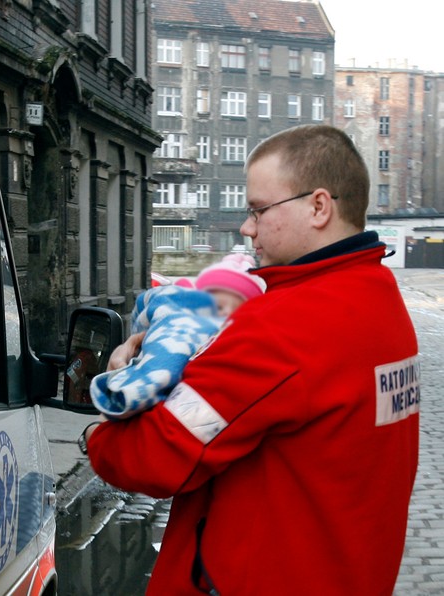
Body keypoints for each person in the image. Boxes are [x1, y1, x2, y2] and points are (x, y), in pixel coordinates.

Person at [80, 124, 420, 595]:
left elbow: (151, 459)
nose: (247, 227)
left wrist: (104, 419)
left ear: (319, 206)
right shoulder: (379, 299)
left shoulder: (284, 326)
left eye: (259, 210)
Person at [91, 254, 265, 420]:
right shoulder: (181, 322)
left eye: (235, 312)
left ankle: (136, 389)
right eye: (218, 307)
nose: (224, 316)